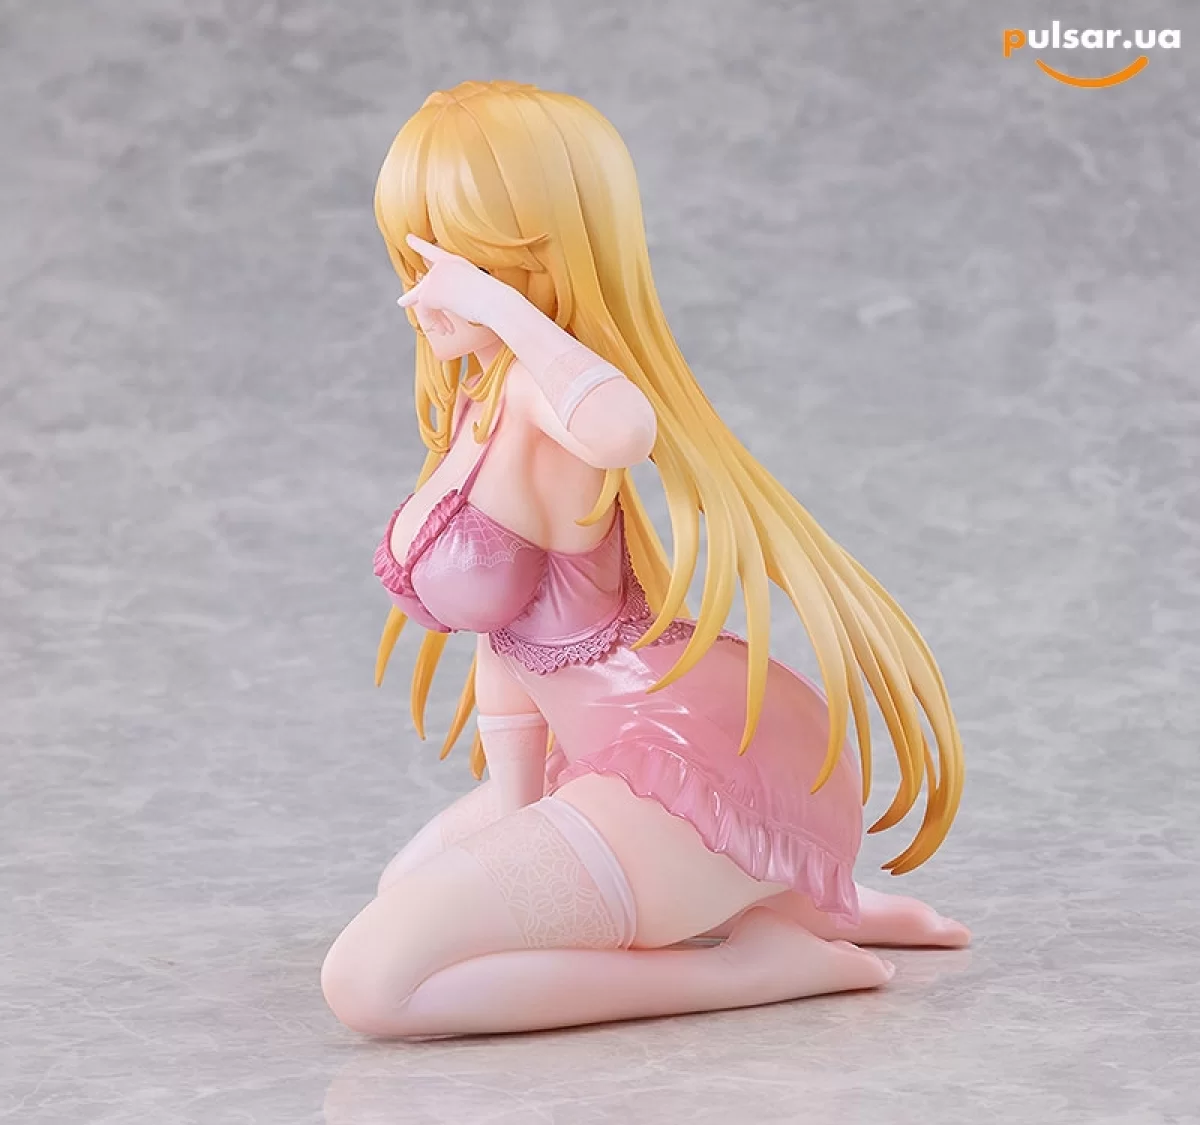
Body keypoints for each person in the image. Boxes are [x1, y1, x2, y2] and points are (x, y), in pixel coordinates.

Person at [321, 80, 969, 1039]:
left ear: (537, 258)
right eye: (412, 254)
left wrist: (499, 306)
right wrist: (516, 806)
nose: (424, 291)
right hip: (605, 757)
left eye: (458, 258)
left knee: (372, 985)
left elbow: (624, 428)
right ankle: (769, 897)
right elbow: (507, 636)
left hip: (675, 764)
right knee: (401, 895)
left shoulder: (547, 394)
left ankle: (753, 964)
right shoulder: (485, 398)